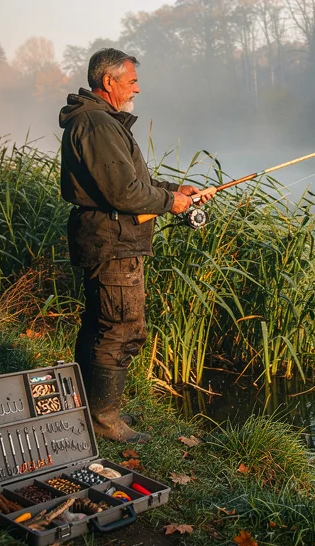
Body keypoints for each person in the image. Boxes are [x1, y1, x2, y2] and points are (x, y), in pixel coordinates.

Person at [58, 48, 214, 443]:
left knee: (100, 325)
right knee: (121, 329)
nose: (137, 88)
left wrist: (174, 190)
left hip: (109, 238)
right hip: (113, 242)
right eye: (131, 81)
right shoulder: (96, 124)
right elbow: (123, 192)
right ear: (108, 82)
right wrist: (169, 203)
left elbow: (129, 183)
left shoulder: (99, 121)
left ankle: (90, 408)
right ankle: (103, 420)